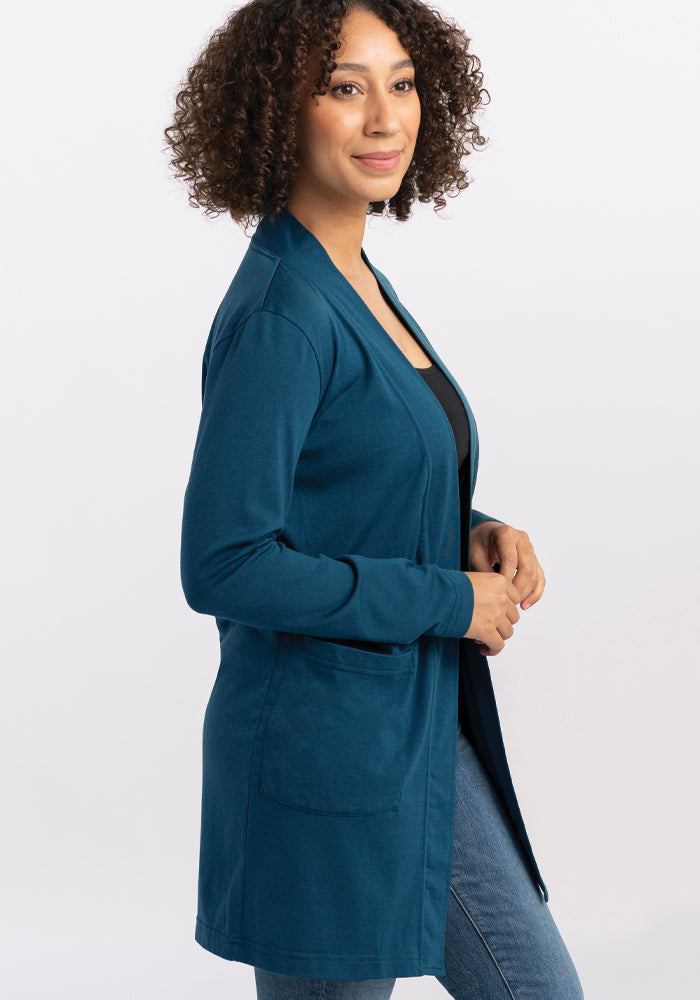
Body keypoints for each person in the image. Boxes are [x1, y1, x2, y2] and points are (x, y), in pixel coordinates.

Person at [164, 1, 584, 997]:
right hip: (328, 762)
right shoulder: (283, 312)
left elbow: (362, 480)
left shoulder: (355, 277)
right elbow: (224, 561)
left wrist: (473, 533)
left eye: (400, 83)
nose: (385, 117)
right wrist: (447, 600)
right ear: (278, 111)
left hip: (414, 731)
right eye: (345, 87)